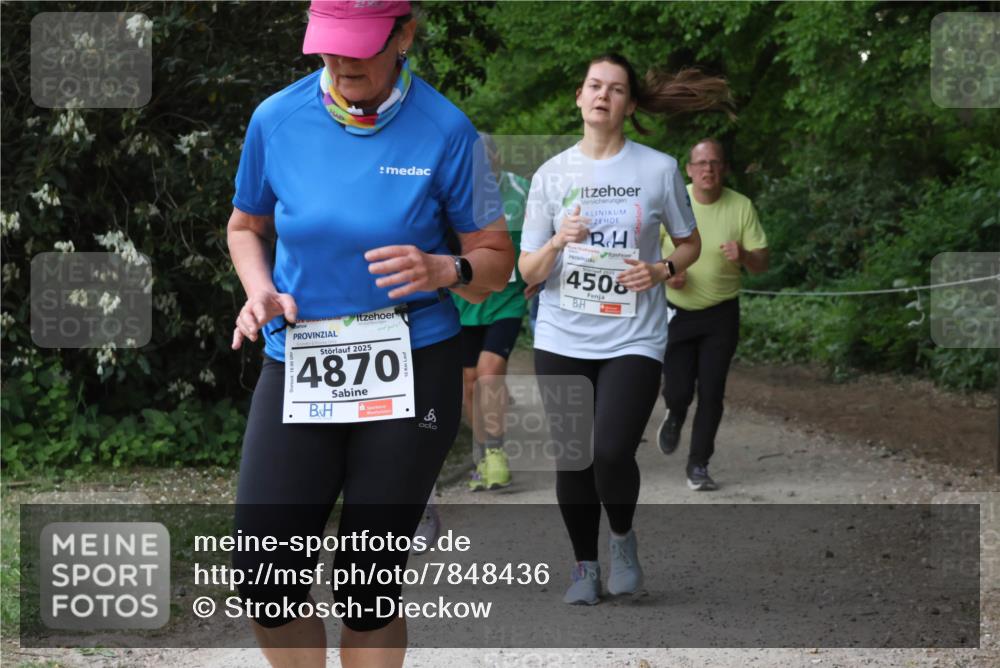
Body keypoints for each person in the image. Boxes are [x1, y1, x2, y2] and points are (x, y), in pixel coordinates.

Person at [226, 2, 513, 667]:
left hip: (412, 363)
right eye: (329, 45)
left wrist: (445, 267)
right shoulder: (277, 119)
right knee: (263, 575)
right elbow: (246, 226)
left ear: (404, 34)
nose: (342, 61)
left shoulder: (449, 131)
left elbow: (494, 262)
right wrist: (258, 289)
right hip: (300, 360)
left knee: (367, 584)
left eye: (359, 45)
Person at [519, 53, 731, 605]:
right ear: (578, 96)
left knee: (611, 450)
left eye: (615, 89)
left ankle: (621, 539)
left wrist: (661, 269)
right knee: (575, 455)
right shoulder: (551, 175)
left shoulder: (658, 168)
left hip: (633, 332)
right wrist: (558, 241)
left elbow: (690, 243)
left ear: (629, 105)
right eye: (593, 85)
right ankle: (584, 567)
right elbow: (527, 272)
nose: (602, 95)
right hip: (562, 333)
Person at [656, 138, 769, 491]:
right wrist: (667, 272)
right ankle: (675, 413)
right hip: (678, 311)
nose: (708, 169)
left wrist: (745, 257)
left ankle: (698, 464)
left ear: (724, 169)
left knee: (712, 392)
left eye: (715, 163)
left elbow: (763, 263)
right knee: (677, 390)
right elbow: (644, 252)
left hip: (721, 313)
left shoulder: (741, 207)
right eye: (701, 163)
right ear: (689, 170)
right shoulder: (673, 202)